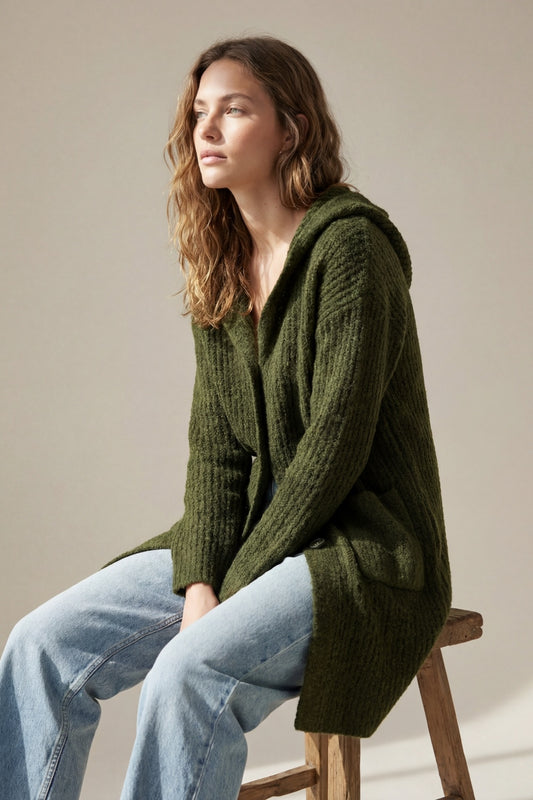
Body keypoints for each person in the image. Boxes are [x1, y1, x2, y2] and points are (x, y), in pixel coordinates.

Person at [0, 35, 452, 800]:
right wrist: (201, 575)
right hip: (251, 531)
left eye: (233, 110)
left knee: (188, 668)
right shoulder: (220, 258)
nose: (205, 130)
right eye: (198, 113)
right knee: (39, 643)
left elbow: (331, 455)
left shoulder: (351, 250)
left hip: (360, 543)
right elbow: (215, 453)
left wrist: (224, 589)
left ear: (291, 128)